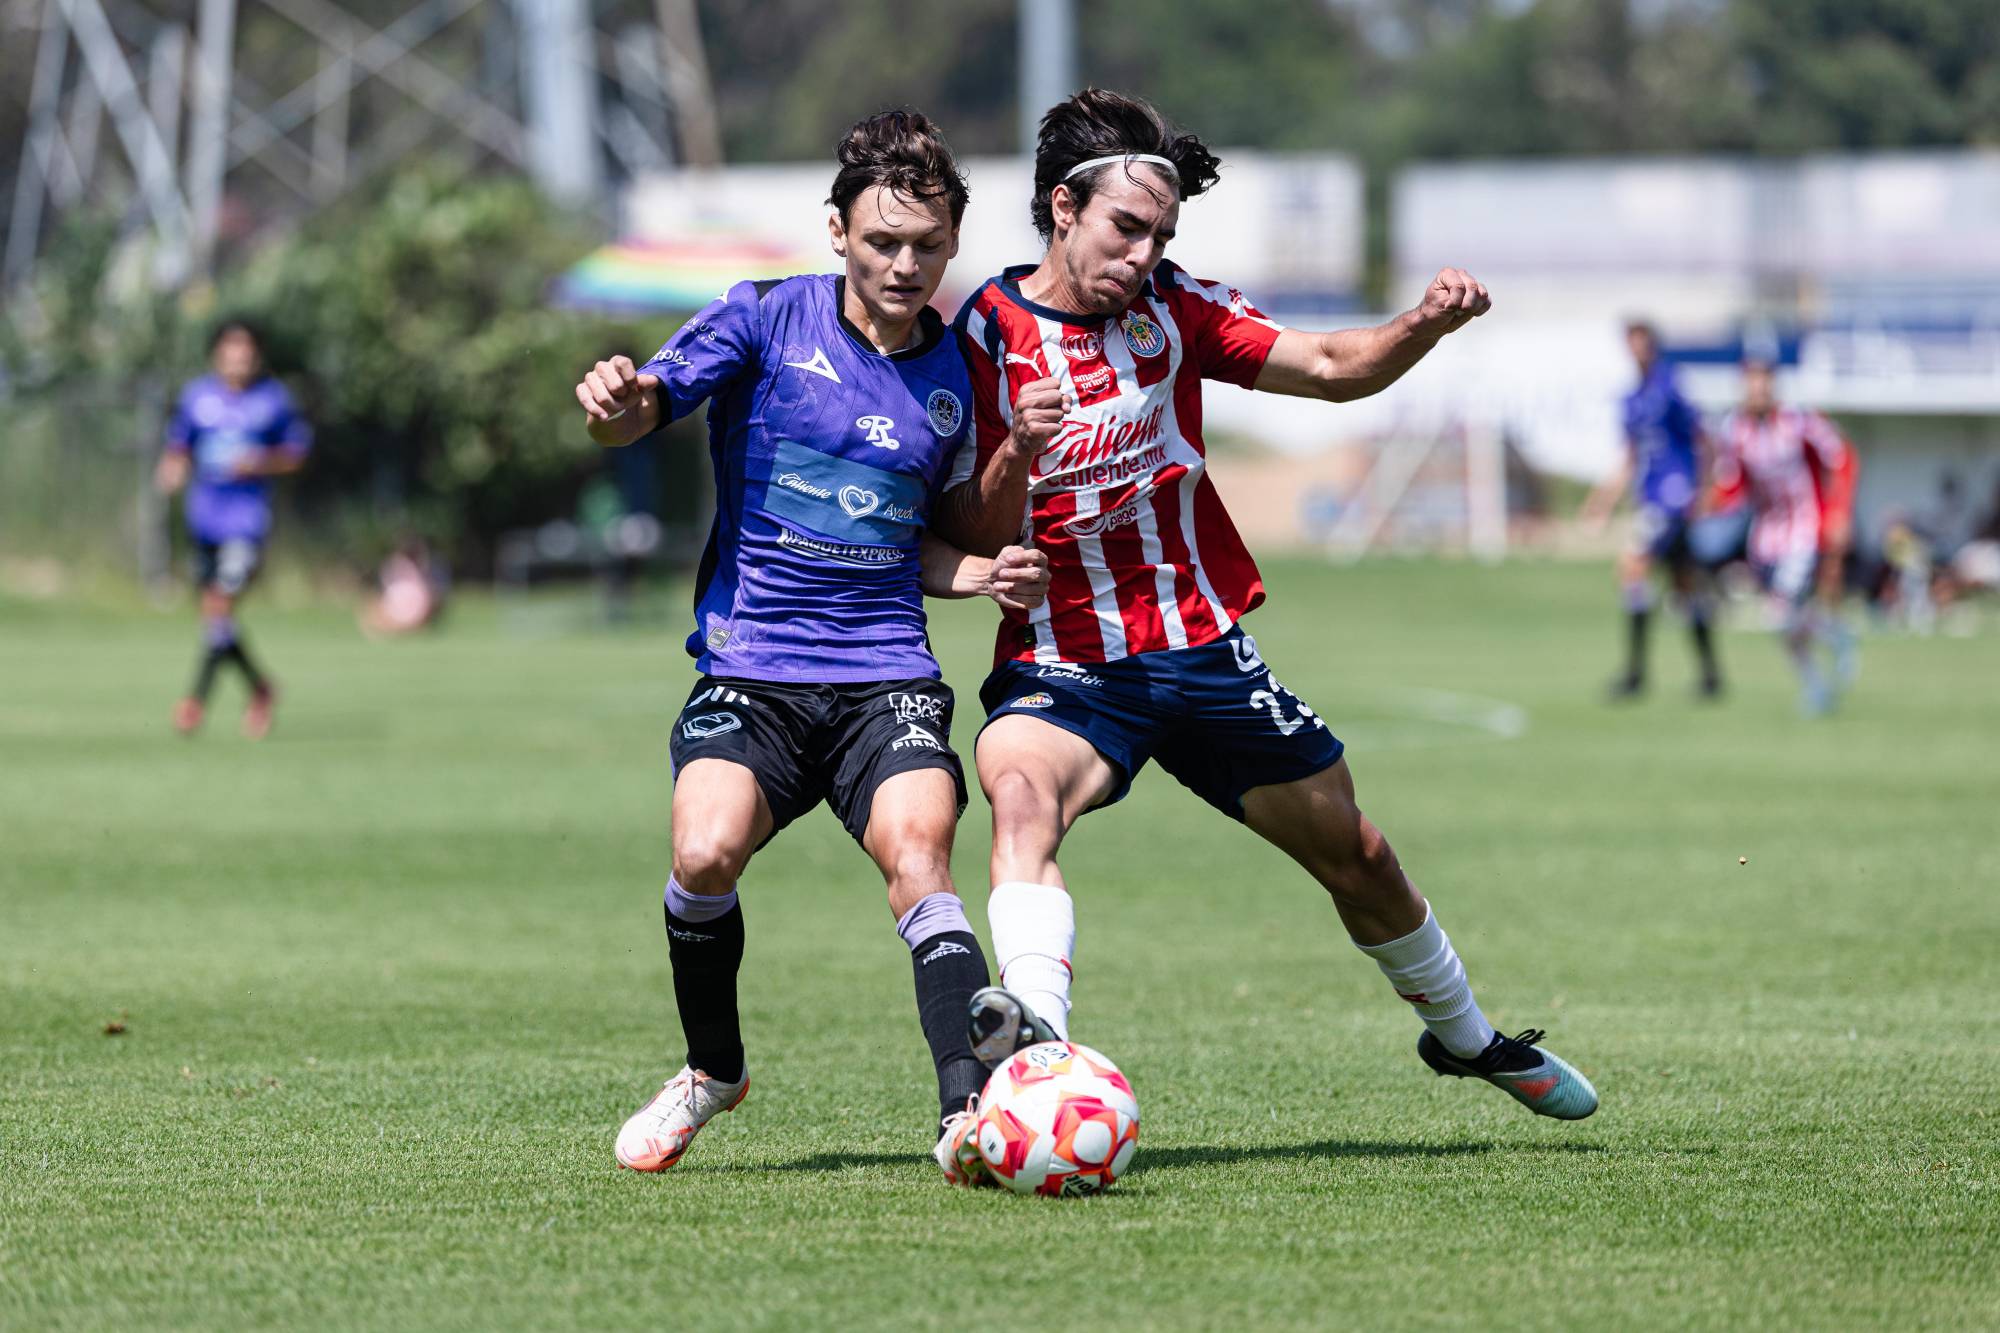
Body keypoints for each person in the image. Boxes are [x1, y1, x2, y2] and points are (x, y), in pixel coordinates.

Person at [932, 90, 1596, 1181]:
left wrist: (1420, 324)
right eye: (1124, 230)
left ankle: (1466, 1036)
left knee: (1360, 854)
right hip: (1061, 657)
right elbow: (957, 524)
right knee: (1016, 790)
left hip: (1197, 646)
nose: (1143, 255)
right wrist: (1018, 457)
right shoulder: (980, 339)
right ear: (1062, 208)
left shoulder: (1174, 312)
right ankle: (1038, 1052)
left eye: (1159, 237)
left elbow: (1333, 368)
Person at [572, 109, 1050, 1181]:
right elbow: (638, 410)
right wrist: (611, 403)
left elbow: (931, 531)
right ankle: (712, 1070)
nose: (904, 264)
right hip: (751, 670)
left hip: (886, 672)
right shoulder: (762, 321)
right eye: (883, 242)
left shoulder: (954, 373)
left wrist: (980, 554)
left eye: (926, 246)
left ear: (949, 243)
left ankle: (965, 1114)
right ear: (836, 231)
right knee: (701, 854)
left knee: (919, 857)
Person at [155, 319, 311, 739]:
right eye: (231, 350)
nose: (238, 359)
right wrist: (171, 469)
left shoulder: (273, 401)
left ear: (257, 356)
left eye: (246, 351)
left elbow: (296, 454)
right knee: (215, 618)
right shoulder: (197, 397)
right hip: (203, 518)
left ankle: (194, 702)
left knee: (220, 607)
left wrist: (259, 462)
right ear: (217, 355)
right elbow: (179, 446)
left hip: (246, 522)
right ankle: (260, 687)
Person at [1579, 321, 1723, 698]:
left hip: (1672, 497)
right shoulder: (1631, 400)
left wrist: (1706, 486)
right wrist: (1601, 503)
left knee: (1631, 570)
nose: (1638, 352)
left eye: (1643, 344)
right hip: (1652, 496)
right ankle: (1710, 677)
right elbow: (1628, 459)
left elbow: (1702, 437)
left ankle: (1635, 675)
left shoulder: (1670, 386)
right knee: (1684, 587)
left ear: (1653, 346)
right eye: (1632, 345)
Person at [1709, 358, 1858, 714]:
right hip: (1767, 534)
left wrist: (1839, 511)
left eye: (1763, 382)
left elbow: (1843, 458)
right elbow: (1733, 483)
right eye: (1750, 383)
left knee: (1780, 610)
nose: (1757, 390)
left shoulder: (1799, 420)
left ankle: (1817, 682)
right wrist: (1708, 505)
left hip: (1803, 527)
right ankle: (1831, 641)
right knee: (1784, 619)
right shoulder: (1734, 429)